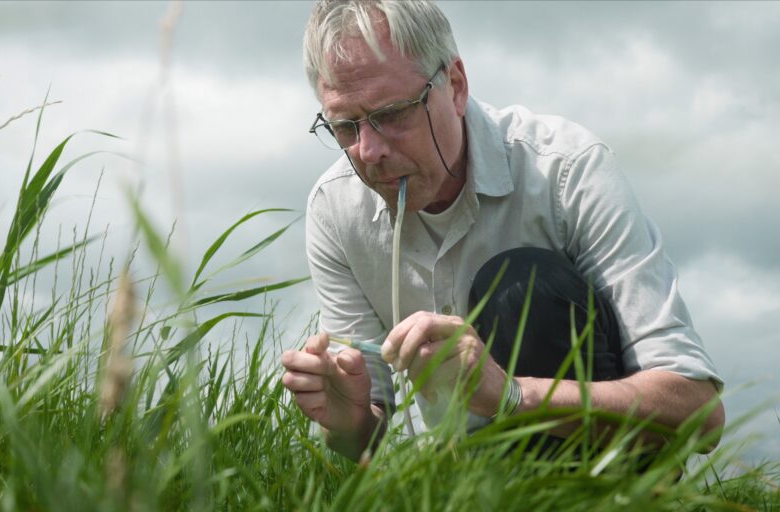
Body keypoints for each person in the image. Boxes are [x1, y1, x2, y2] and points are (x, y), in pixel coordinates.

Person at [281, 0, 725, 462]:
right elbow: (371, 441)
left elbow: (700, 413)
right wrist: (349, 423)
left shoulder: (566, 172)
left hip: (602, 477)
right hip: (446, 489)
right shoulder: (334, 210)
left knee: (522, 286)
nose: (368, 151)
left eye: (393, 114)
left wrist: (511, 395)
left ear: (455, 86)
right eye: (344, 126)